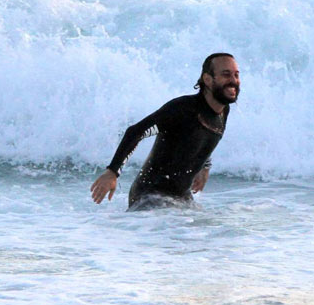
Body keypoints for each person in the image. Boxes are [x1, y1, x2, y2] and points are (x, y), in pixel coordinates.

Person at [90, 53, 240, 210]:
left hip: (181, 198)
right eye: (226, 74)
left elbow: (202, 135)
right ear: (208, 79)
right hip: (150, 198)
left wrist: (205, 166)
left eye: (236, 75)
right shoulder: (182, 109)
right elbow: (136, 132)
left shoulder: (223, 110)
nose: (233, 80)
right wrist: (112, 172)